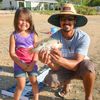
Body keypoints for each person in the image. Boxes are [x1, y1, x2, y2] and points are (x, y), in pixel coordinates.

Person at [38, 3, 96, 100]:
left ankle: (88, 97)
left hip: (79, 66)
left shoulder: (83, 37)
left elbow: (77, 65)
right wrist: (48, 61)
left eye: (70, 19)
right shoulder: (54, 38)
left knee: (89, 68)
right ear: (60, 22)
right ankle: (66, 84)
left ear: (75, 21)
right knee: (50, 80)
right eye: (63, 19)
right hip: (63, 67)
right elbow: (56, 67)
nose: (66, 22)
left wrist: (59, 60)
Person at [9, 8, 39, 100]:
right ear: (16, 20)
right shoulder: (14, 35)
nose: (24, 23)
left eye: (27, 20)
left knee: (34, 82)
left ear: (30, 22)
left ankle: (36, 98)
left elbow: (36, 51)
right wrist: (21, 64)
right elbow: (12, 53)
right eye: (21, 20)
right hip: (19, 64)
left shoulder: (33, 35)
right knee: (21, 85)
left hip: (31, 63)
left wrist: (32, 64)